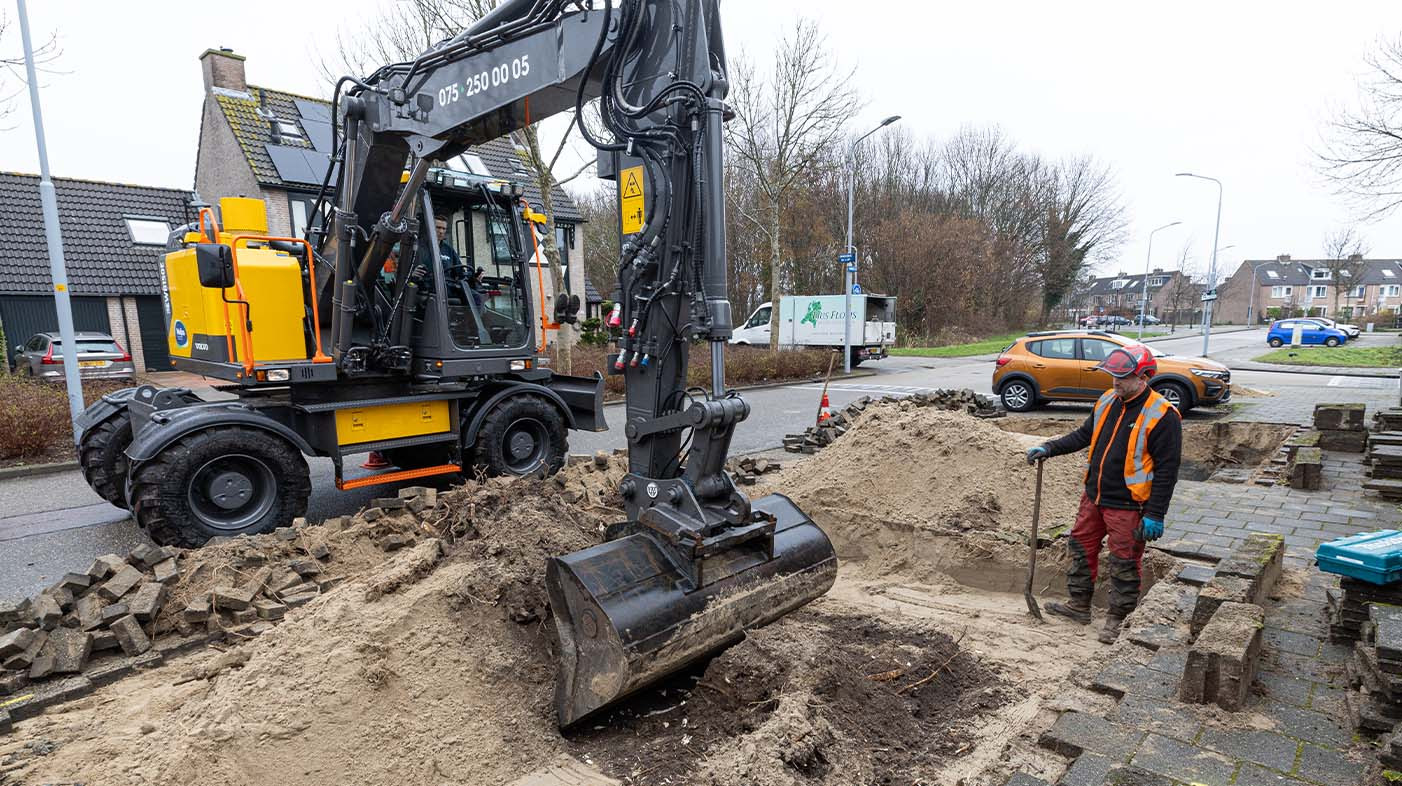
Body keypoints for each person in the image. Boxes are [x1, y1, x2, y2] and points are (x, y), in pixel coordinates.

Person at [1025, 343, 1183, 643]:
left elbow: (1167, 469)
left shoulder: (1163, 414)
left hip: (1129, 504)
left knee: (1124, 560)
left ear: (1143, 376)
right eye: (1112, 375)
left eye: (1122, 376)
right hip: (1094, 495)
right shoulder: (1108, 400)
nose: (1115, 381)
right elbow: (1084, 435)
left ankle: (1117, 618)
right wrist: (1049, 447)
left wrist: (1155, 513)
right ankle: (1079, 605)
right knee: (1081, 547)